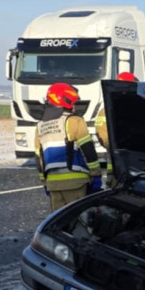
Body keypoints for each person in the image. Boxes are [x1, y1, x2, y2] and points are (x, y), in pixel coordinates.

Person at [35, 83, 102, 211]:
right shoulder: (74, 121)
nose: (75, 107)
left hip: (53, 185)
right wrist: (96, 175)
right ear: (66, 100)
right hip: (76, 183)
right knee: (80, 221)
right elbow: (88, 151)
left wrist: (44, 183)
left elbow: (39, 158)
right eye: (74, 103)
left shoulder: (40, 126)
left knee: (60, 224)